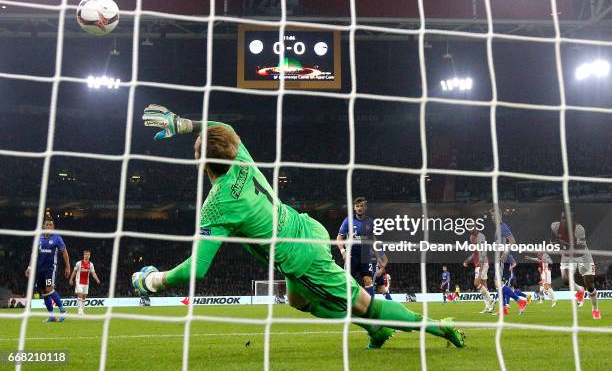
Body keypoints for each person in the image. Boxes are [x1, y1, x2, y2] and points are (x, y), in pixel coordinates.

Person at [132, 105, 464, 349]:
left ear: (201, 162)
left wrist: (151, 281)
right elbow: (223, 127)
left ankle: (438, 327)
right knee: (298, 302)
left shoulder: (216, 206)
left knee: (365, 303)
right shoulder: (242, 159)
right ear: (232, 150)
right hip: (305, 229)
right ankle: (374, 327)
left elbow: (197, 270)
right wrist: (185, 124)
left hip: (300, 258)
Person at [552, 211, 600, 319]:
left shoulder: (579, 229)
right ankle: (579, 290)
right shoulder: (555, 227)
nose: (564, 221)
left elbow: (580, 248)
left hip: (583, 256)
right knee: (566, 280)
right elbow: (553, 241)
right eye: (562, 219)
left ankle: (595, 309)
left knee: (590, 286)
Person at [25, 218, 70, 322]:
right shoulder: (38, 238)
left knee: (49, 288)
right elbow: (34, 254)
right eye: (47, 225)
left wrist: (68, 267)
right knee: (43, 291)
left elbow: (64, 252)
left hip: (50, 268)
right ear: (43, 226)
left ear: (53, 227)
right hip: (39, 268)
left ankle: (63, 311)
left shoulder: (57, 238)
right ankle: (51, 316)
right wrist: (29, 267)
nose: (49, 227)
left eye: (51, 225)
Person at [463, 228, 494, 313]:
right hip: (482, 264)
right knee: (484, 286)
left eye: (473, 239)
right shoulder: (476, 246)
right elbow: (474, 254)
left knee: (476, 283)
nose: (472, 240)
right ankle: (488, 307)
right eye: (471, 239)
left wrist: (481, 263)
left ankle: (491, 300)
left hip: (481, 264)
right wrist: (466, 260)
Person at [69, 250, 101, 315]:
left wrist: (97, 279)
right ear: (83, 255)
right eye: (85, 254)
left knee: (84, 296)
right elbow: (74, 271)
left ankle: (82, 311)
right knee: (80, 294)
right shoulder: (79, 263)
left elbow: (93, 273)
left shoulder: (91, 264)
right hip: (78, 281)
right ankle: (79, 310)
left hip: (86, 282)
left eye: (88, 254)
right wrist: (71, 279)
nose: (87, 256)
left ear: (90, 256)